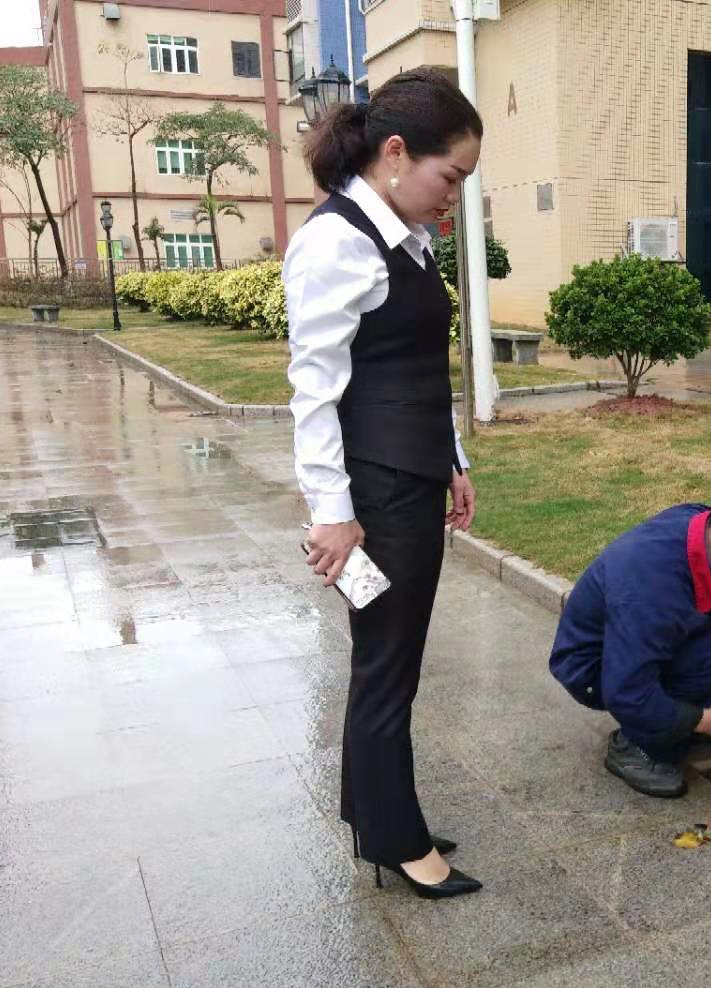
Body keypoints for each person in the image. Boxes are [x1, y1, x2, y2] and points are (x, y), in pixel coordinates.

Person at [285, 68, 485, 900]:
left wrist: (451, 459)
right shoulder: (336, 242)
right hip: (375, 495)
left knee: (390, 660)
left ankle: (377, 815)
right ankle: (397, 841)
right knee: (386, 665)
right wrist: (332, 515)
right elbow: (315, 389)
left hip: (410, 476)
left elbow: (413, 367)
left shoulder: (404, 236)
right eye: (450, 176)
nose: (453, 197)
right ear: (396, 153)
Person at [549, 489, 711, 798]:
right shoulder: (651, 590)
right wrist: (704, 720)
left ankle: (676, 719)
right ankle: (638, 747)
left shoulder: (708, 526)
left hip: (632, 641)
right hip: (594, 669)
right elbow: (627, 691)